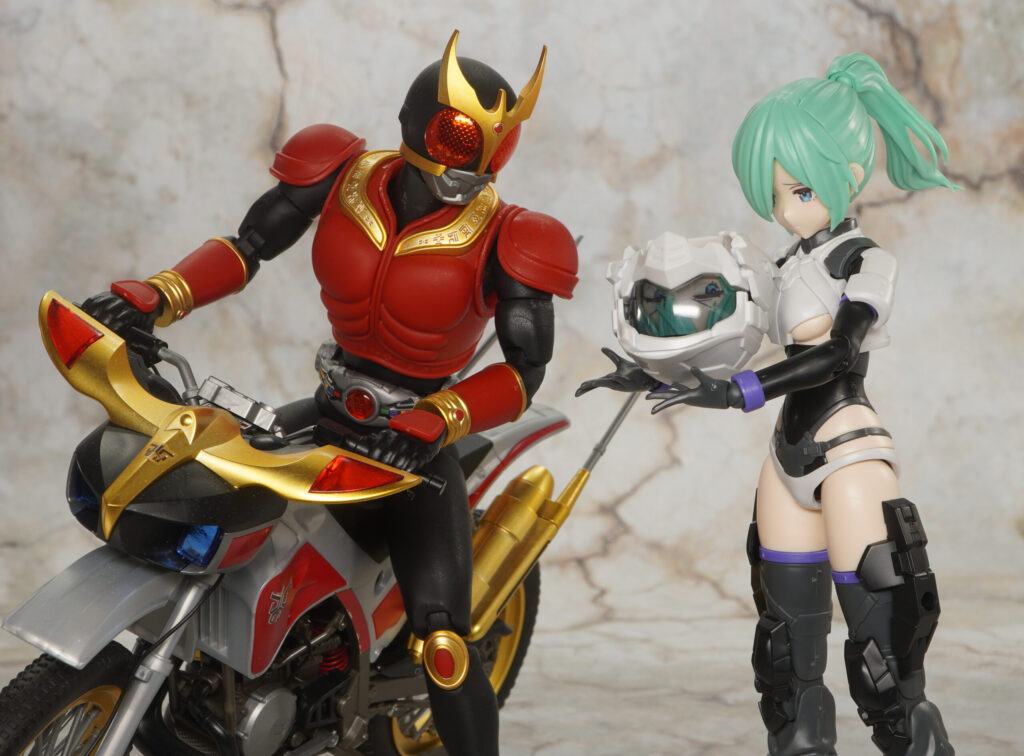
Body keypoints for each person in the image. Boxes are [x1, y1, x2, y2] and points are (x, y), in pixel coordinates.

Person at [82, 30, 578, 756]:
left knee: (444, 640)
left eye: (497, 143)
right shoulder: (340, 173)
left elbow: (524, 370)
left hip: (416, 448)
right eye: (460, 134)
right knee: (207, 517)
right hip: (329, 411)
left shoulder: (511, 234)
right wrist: (158, 296)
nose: (474, 161)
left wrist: (439, 417)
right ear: (416, 121)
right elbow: (247, 247)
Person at [580, 52, 956, 755]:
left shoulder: (865, 262)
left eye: (799, 189)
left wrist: (739, 393)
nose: (785, 209)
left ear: (849, 172)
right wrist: (655, 374)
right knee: (786, 663)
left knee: (885, 665)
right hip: (787, 461)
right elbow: (736, 349)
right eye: (775, 192)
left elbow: (836, 353)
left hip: (847, 453)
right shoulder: (780, 268)